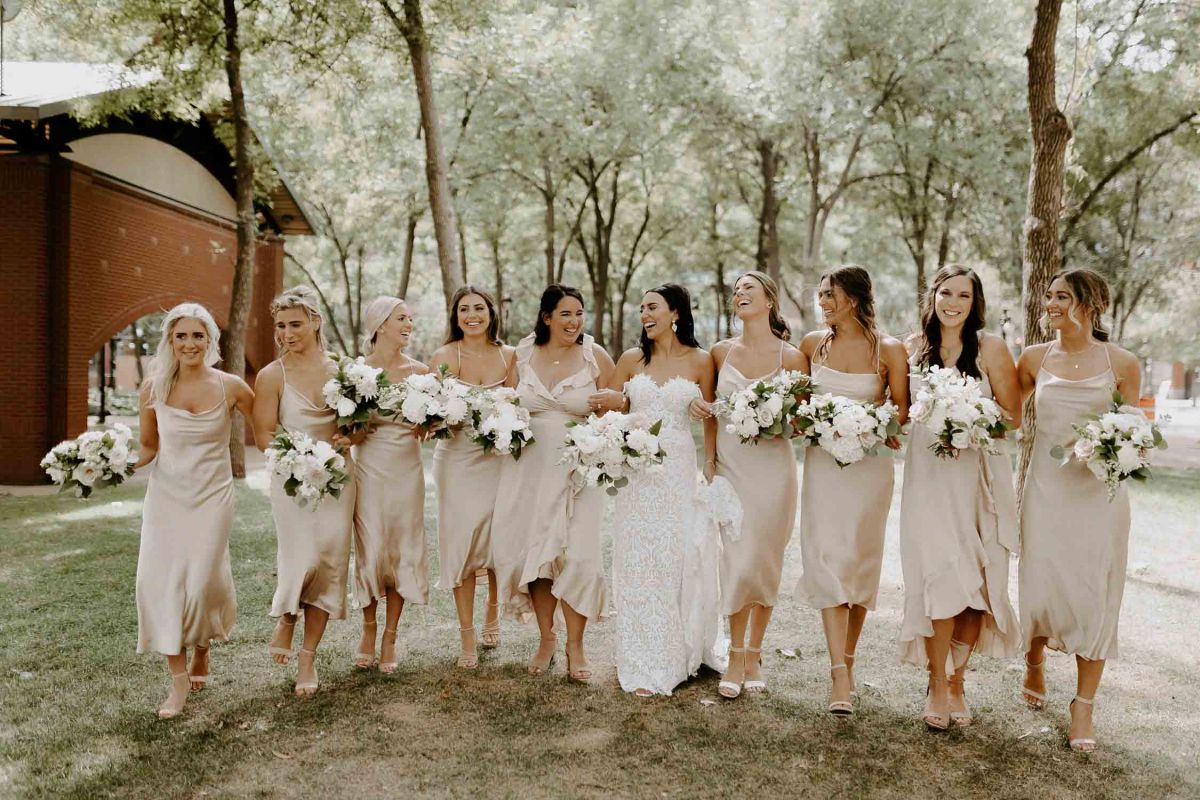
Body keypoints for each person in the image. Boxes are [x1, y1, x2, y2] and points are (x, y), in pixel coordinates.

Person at [1017, 268, 1141, 752]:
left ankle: (1083, 705)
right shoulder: (1033, 358)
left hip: (1098, 498)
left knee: (1095, 591)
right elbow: (1008, 416)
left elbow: (1133, 431)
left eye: (1062, 297)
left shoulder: (1122, 363)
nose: (1050, 303)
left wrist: (1119, 447)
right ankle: (1034, 661)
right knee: (1041, 583)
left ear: (1091, 305)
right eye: (1049, 295)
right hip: (1045, 490)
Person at [897, 265, 1022, 730]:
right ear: (932, 296)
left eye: (963, 296)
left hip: (979, 479)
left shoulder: (991, 348)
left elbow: (1012, 418)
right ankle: (935, 681)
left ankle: (956, 681)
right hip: (929, 481)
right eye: (946, 293)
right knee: (938, 577)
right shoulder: (910, 349)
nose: (953, 303)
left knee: (975, 587)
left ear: (975, 303)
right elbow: (898, 411)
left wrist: (968, 416)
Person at [590, 284, 726, 696]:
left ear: (675, 313)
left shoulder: (701, 360)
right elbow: (612, 410)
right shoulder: (631, 359)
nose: (645, 314)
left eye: (652, 307)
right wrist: (615, 404)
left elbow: (711, 417)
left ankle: (675, 652)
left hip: (677, 470)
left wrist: (710, 461)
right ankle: (640, 655)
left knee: (672, 557)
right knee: (636, 558)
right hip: (637, 473)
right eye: (642, 309)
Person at [796, 265, 909, 715]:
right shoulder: (811, 345)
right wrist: (812, 423)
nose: (823, 302)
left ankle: (849, 657)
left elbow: (901, 410)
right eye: (821, 294)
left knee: (859, 563)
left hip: (869, 468)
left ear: (855, 299)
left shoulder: (889, 349)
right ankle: (838, 673)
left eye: (831, 294)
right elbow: (799, 406)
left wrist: (871, 424)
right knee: (827, 559)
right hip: (824, 466)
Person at [134, 303, 253, 719]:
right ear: (170, 340)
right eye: (181, 336)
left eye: (197, 335)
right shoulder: (152, 388)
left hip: (212, 497)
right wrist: (113, 465)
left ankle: (203, 644)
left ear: (210, 340)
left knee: (201, 583)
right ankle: (178, 680)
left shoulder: (232, 387)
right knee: (160, 582)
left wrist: (306, 454)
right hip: (166, 498)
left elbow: (270, 429)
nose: (189, 343)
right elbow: (148, 446)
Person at [692, 271, 808, 699]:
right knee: (738, 561)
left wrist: (772, 416)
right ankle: (735, 653)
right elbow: (710, 413)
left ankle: (754, 653)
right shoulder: (719, 353)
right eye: (736, 290)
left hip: (774, 471)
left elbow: (800, 422)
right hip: (731, 467)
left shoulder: (792, 358)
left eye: (749, 289)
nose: (740, 294)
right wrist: (709, 460)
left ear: (769, 301)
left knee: (765, 561)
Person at [490, 285, 615, 681]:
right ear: (546, 317)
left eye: (579, 313)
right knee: (538, 557)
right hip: (529, 470)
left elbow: (613, 413)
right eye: (565, 314)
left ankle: (576, 646)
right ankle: (547, 638)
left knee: (579, 557)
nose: (574, 321)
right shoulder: (523, 354)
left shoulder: (595, 356)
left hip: (580, 471)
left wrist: (602, 436)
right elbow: (507, 406)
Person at [251, 286, 356, 696]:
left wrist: (348, 438)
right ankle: (288, 614)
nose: (286, 333)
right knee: (301, 557)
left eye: (295, 324)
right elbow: (263, 433)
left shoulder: (344, 369)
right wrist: (298, 456)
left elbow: (357, 426)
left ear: (315, 321)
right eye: (280, 326)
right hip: (292, 478)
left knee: (329, 561)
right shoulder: (271, 375)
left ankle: (308, 657)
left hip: (337, 478)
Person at [428, 286, 515, 668]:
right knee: (461, 543)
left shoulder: (510, 355)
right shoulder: (444, 356)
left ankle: (493, 611)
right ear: (455, 316)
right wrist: (440, 419)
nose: (472, 315)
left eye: (479, 308)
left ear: (491, 313)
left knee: (497, 539)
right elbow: (430, 416)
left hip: (498, 460)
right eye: (464, 309)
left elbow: (520, 406)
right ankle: (466, 635)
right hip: (457, 461)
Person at [352, 296, 429, 674]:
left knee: (401, 548)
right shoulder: (357, 371)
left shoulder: (421, 372)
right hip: (369, 469)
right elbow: (349, 430)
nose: (408, 324)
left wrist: (430, 423)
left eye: (410, 318)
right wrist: (357, 424)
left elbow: (432, 427)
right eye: (402, 318)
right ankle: (369, 627)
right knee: (371, 547)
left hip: (407, 471)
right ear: (381, 324)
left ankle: (391, 635)